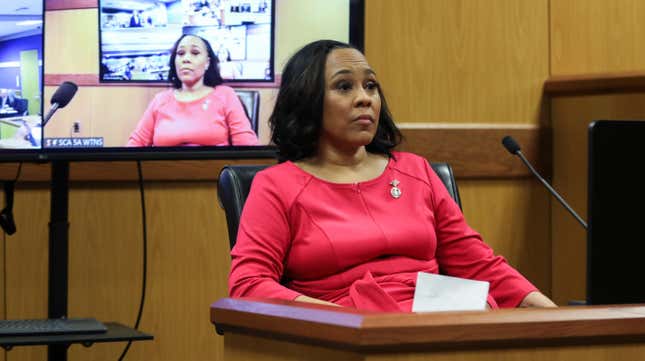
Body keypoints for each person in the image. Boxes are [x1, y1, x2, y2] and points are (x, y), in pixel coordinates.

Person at [228, 40, 556, 312]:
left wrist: (553, 316)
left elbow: (479, 265)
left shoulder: (416, 172)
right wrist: (345, 321)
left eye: (371, 86)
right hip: (347, 331)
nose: (365, 98)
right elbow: (249, 284)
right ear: (307, 101)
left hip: (442, 317)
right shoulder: (278, 185)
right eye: (344, 86)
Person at [127, 34, 258, 146]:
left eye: (195, 53)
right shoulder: (160, 100)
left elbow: (247, 147)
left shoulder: (225, 95)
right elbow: (136, 143)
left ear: (207, 63)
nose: (186, 59)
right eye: (180, 53)